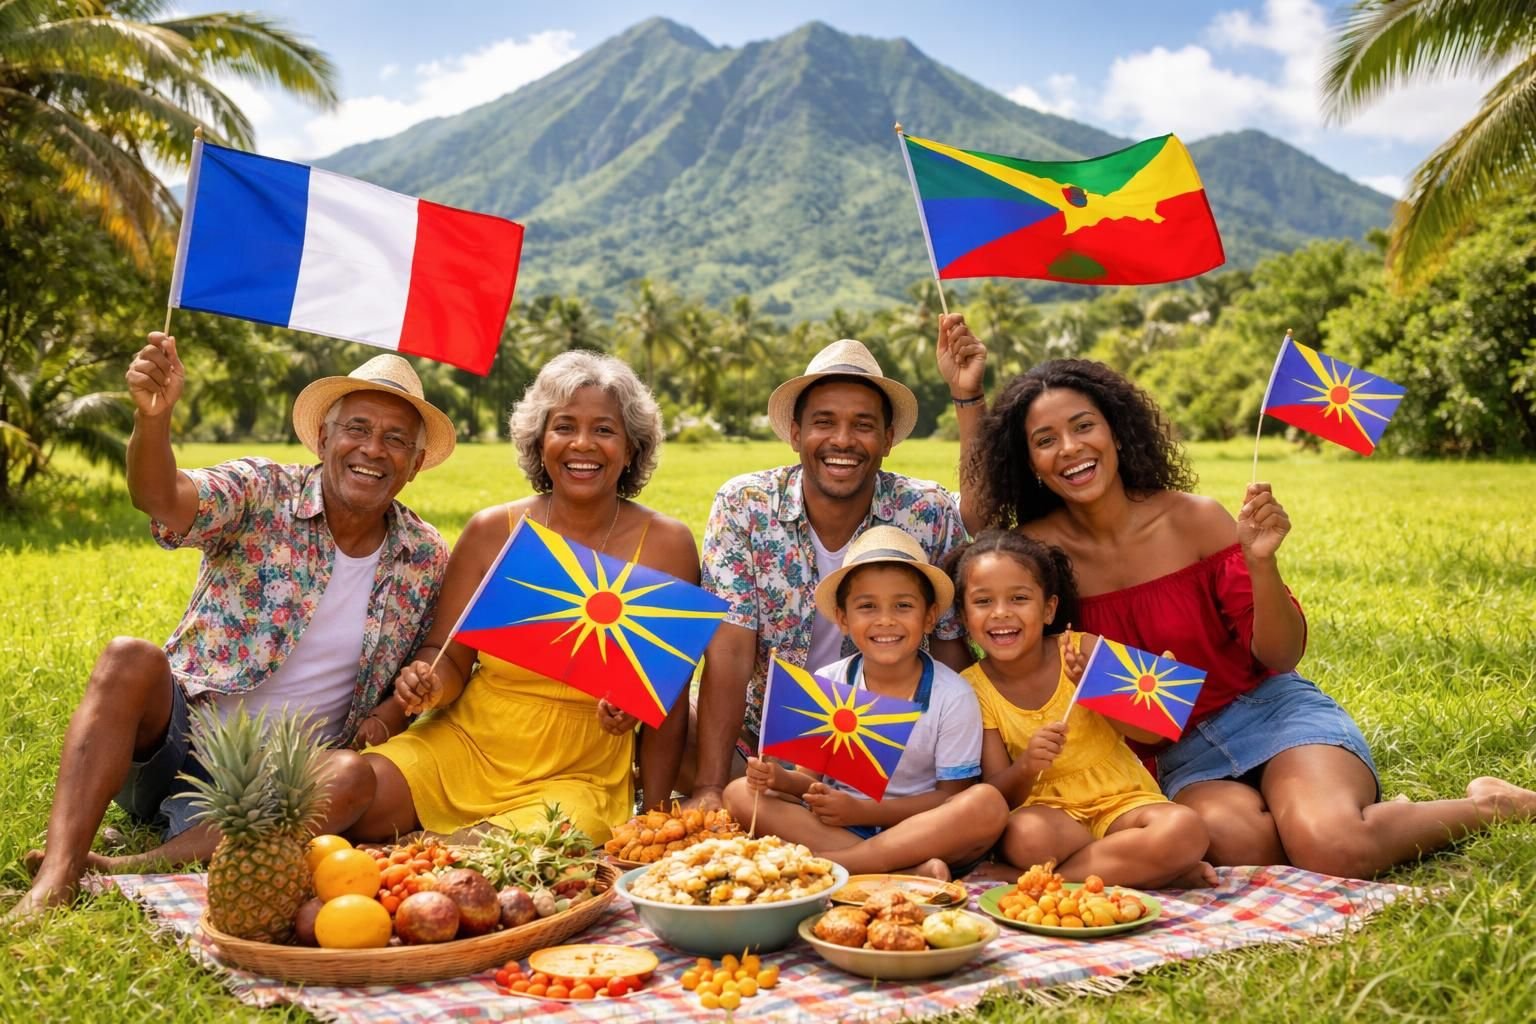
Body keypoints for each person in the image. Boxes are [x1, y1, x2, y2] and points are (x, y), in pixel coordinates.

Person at [937, 314, 1536, 878]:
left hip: (1270, 712)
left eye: (1084, 426)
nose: (1069, 448)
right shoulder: (1037, 556)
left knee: (1333, 845)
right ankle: (1342, 815)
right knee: (1240, 845)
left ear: (1116, 431)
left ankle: (1490, 806)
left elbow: (1279, 656)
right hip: (1171, 751)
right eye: (1045, 440)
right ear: (1029, 462)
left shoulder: (1194, 519)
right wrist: (969, 400)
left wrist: (1261, 561)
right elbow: (975, 526)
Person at [8, 335, 455, 923]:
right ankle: (58, 873)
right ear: (323, 438)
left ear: (415, 464)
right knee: (128, 656)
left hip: (284, 782)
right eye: (357, 429)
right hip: (180, 742)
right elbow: (163, 499)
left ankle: (133, 865)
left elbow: (423, 664)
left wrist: (394, 710)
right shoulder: (261, 490)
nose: (372, 449)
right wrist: (153, 419)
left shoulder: (424, 555)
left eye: (396, 439)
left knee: (349, 776)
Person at [346, 350, 696, 846]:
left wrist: (655, 819)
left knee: (515, 851)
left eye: (604, 430)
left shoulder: (668, 544)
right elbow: (447, 658)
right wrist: (428, 684)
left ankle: (425, 858)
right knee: (349, 791)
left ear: (632, 448)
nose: (582, 444)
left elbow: (668, 699)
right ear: (539, 439)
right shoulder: (494, 531)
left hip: (578, 776)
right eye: (564, 426)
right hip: (464, 746)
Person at [690, 338, 970, 810]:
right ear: (796, 433)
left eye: (863, 425)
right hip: (769, 744)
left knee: (971, 807)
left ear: (888, 439)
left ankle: (874, 826)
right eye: (824, 423)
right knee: (674, 720)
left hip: (894, 756)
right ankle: (807, 816)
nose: (842, 440)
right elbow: (730, 655)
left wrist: (955, 775)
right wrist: (709, 789)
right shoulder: (746, 505)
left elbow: (949, 642)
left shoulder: (927, 512)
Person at [723, 527, 1008, 879]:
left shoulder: (953, 694)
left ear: (930, 617)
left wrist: (863, 812)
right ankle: (905, 872)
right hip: (840, 828)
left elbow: (948, 797)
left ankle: (838, 866)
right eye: (867, 606)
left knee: (986, 804)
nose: (885, 620)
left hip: (922, 830)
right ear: (843, 619)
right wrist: (779, 779)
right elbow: (809, 784)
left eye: (903, 606)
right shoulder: (829, 682)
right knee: (739, 794)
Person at [948, 529, 1215, 888]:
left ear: (1048, 609)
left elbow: (1153, 732)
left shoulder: (1081, 650)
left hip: (1123, 800)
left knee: (1186, 829)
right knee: (1025, 837)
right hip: (1048, 818)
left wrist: (1096, 693)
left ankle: (1043, 880)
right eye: (983, 602)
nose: (1001, 613)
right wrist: (1026, 765)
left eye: (1019, 598)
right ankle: (1146, 867)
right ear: (964, 618)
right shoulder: (973, 687)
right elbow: (999, 795)